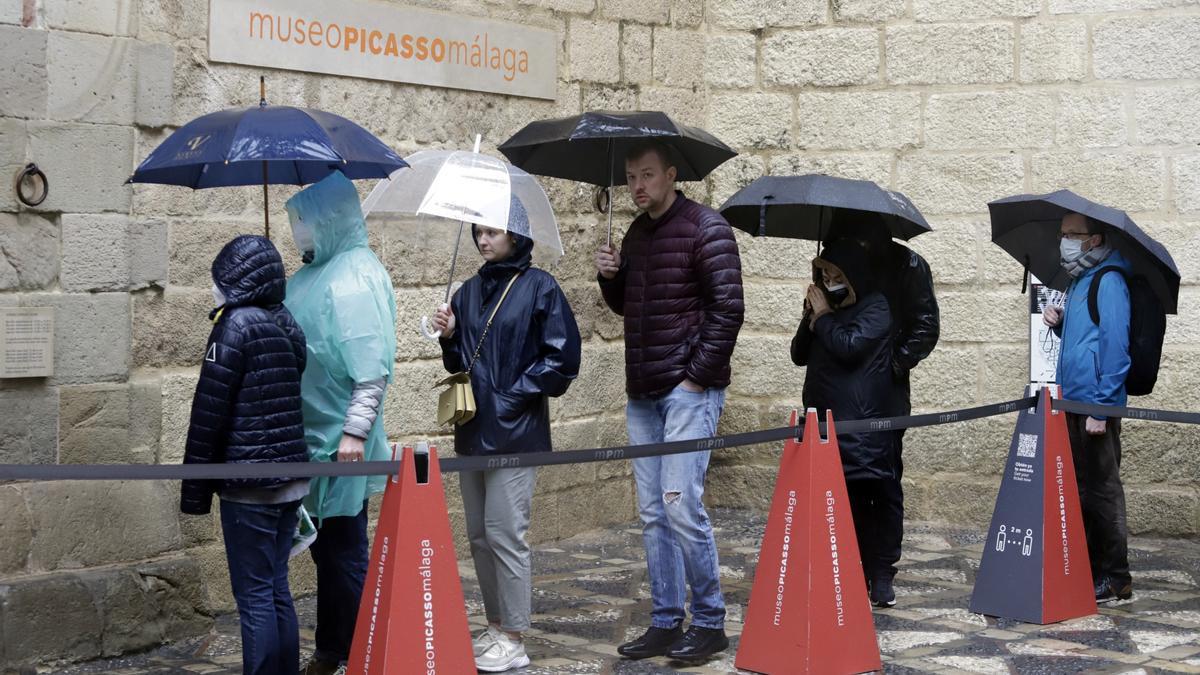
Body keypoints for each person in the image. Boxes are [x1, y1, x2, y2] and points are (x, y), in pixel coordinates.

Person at [595, 141, 744, 662]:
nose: (638, 185)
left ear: (672, 175)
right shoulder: (636, 233)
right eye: (632, 176)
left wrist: (695, 380)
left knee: (682, 507)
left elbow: (728, 311)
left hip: (687, 393)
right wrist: (610, 276)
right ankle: (665, 620)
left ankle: (708, 621)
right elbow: (630, 307)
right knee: (654, 513)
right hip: (643, 392)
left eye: (648, 175)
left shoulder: (707, 228)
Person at [432, 214, 581, 672]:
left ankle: (515, 637)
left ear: (515, 234)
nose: (483, 239)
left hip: (517, 431)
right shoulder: (468, 292)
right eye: (478, 232)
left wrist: (511, 394)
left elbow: (563, 358)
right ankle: (495, 625)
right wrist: (450, 335)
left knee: (505, 532)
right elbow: (459, 363)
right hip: (473, 429)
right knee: (478, 535)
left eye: (492, 232)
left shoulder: (540, 287)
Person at [284, 172, 398, 675]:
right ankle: (332, 648)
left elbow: (370, 369)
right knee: (323, 552)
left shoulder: (355, 276)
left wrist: (354, 433)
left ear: (329, 219)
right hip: (308, 435)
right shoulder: (310, 273)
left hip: (339, 443)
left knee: (344, 553)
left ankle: (357, 652)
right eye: (295, 222)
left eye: (304, 221)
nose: (299, 232)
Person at [180, 235, 309, 675]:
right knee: (276, 589)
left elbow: (208, 414)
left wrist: (194, 493)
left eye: (219, 279)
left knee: (254, 596)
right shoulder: (286, 322)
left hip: (249, 485)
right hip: (291, 478)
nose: (215, 288)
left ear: (236, 280)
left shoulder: (234, 326)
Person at [825, 215, 939, 607]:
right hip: (842, 395)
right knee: (849, 484)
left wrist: (892, 365)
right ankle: (854, 563)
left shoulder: (908, 266)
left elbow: (925, 327)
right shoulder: (836, 268)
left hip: (885, 395)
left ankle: (883, 569)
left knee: (884, 482)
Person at [790, 239, 896, 606]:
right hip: (823, 418)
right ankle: (840, 574)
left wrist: (823, 317)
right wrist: (810, 315)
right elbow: (798, 354)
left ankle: (879, 576)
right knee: (833, 503)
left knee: (872, 502)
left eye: (837, 275)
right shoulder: (824, 310)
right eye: (825, 274)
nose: (830, 280)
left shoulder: (876, 306)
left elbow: (849, 346)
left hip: (861, 424)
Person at [1043, 211, 1133, 603]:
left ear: (1094, 239)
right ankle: (1091, 570)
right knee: (1083, 490)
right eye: (1062, 234)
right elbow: (1088, 340)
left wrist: (1103, 408)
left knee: (1104, 490)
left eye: (1071, 234)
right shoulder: (1081, 280)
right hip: (1075, 399)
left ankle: (1116, 577)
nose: (1064, 240)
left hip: (1095, 404)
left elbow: (1116, 349)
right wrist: (1061, 323)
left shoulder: (1109, 280)